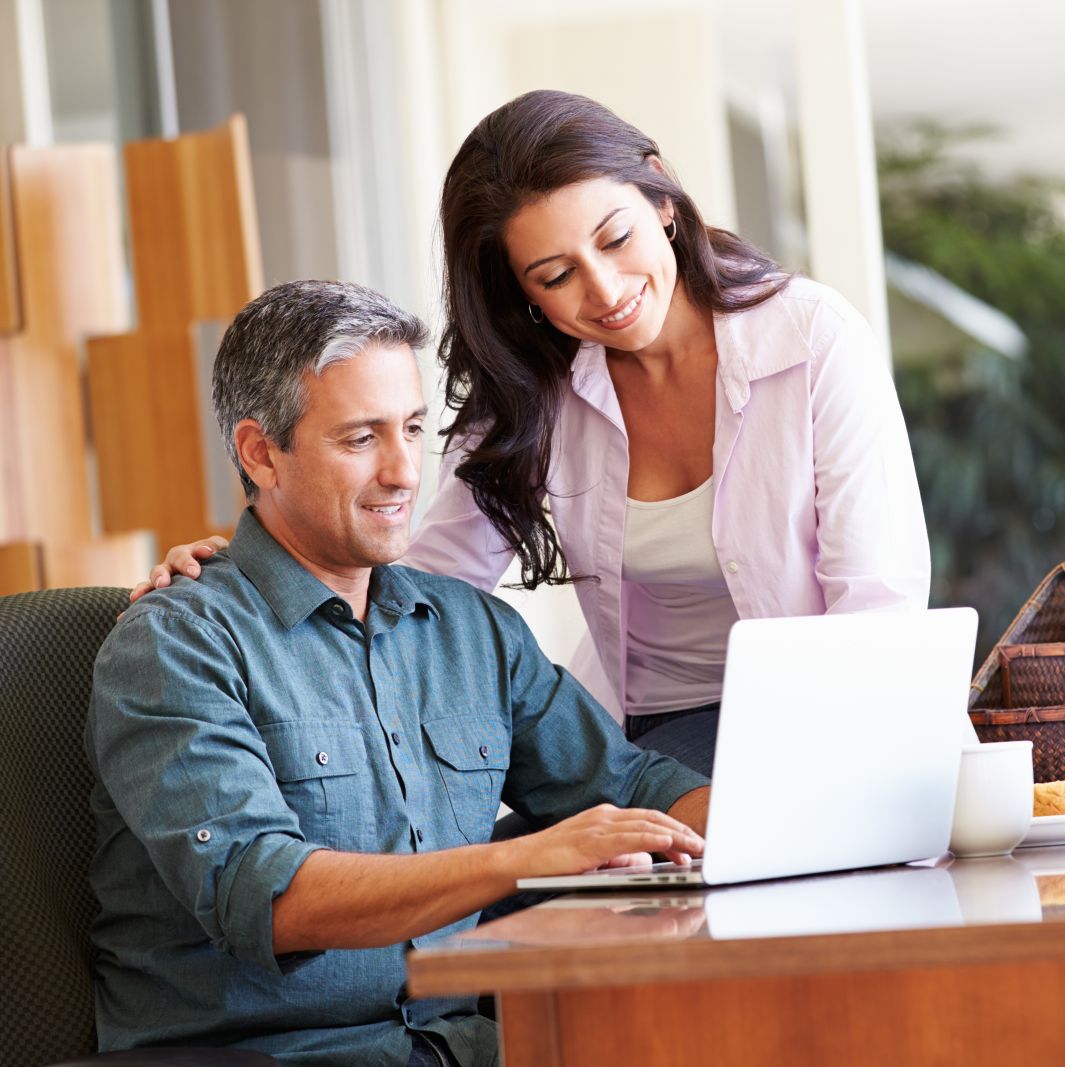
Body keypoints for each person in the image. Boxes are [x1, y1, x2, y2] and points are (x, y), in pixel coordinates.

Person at [138, 90, 931, 777]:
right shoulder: (533, 382)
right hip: (647, 733)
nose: (606, 291)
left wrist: (825, 767)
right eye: (556, 275)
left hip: (825, 715)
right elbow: (431, 580)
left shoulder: (812, 339)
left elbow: (877, 602)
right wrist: (240, 582)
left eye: (615, 239)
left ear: (662, 197)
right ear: (522, 293)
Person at [89, 280, 710, 1066]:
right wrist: (524, 857)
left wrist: (764, 831)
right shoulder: (175, 643)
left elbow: (631, 785)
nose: (405, 471)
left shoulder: (471, 630)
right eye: (361, 439)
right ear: (260, 452)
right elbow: (266, 893)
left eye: (413, 429)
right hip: (275, 1054)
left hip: (461, 1044)